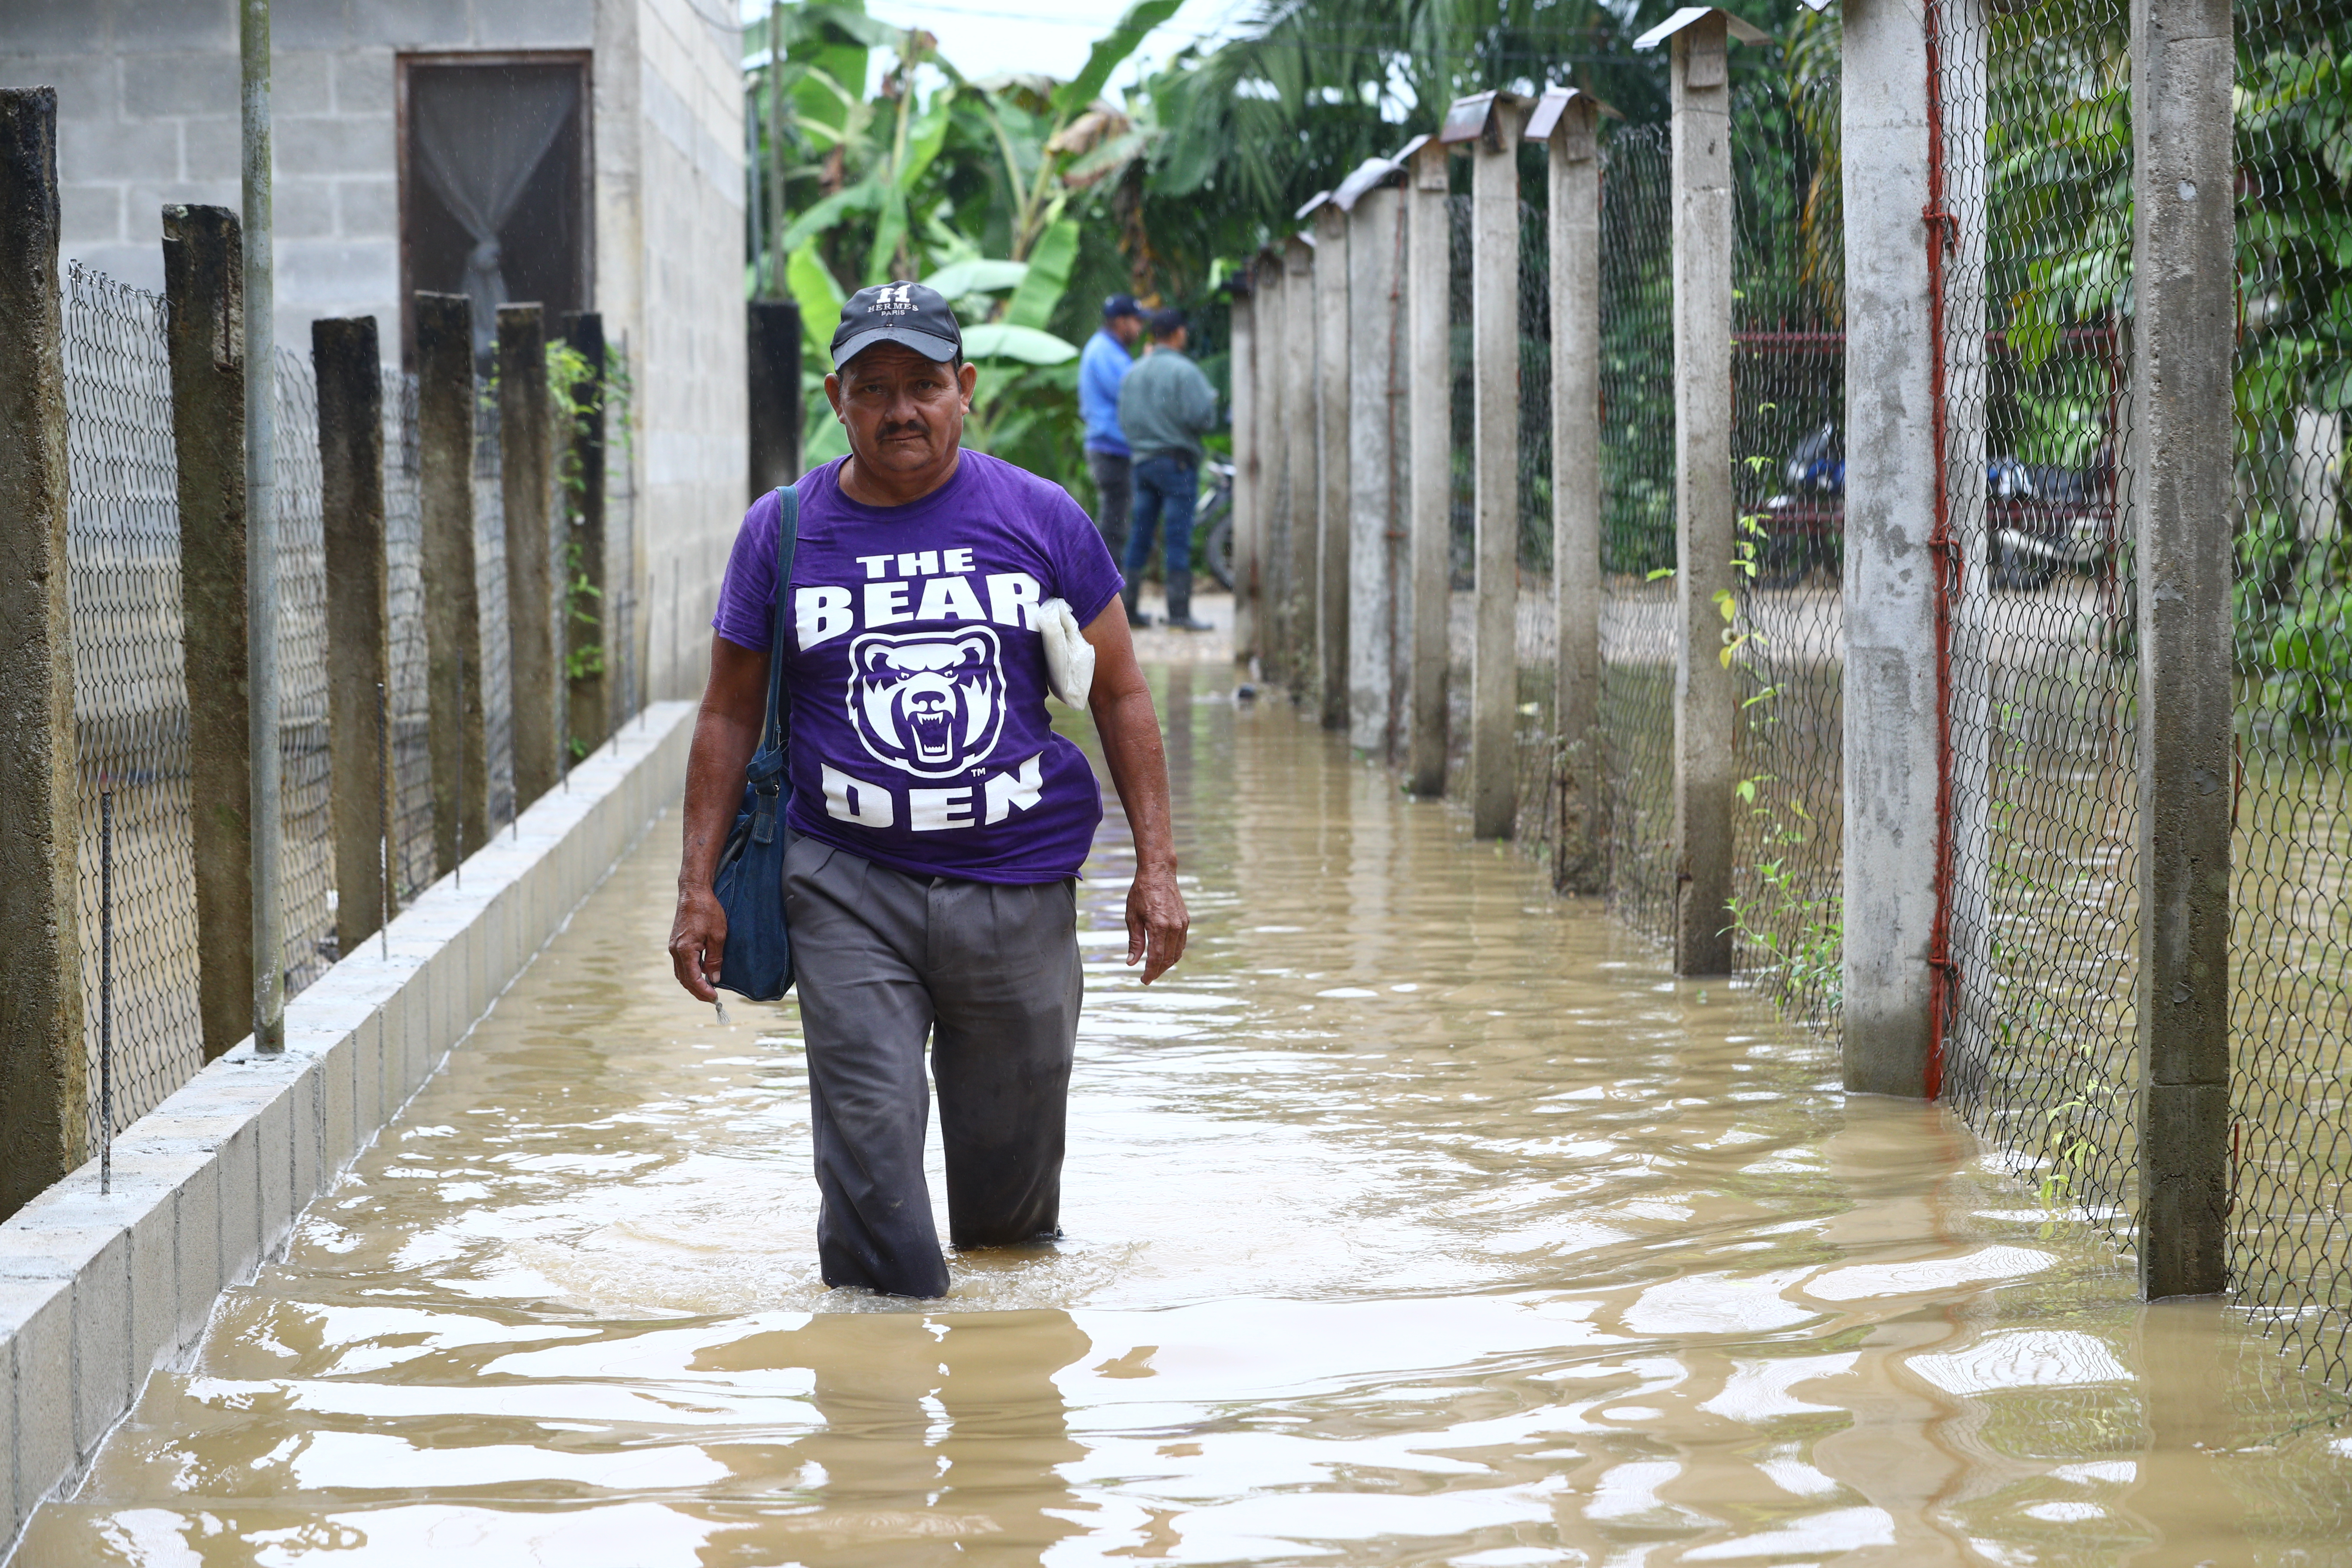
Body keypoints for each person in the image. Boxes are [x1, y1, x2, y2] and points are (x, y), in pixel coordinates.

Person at [670, 280, 1189, 1299]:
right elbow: (727, 713)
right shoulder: (781, 531)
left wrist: (1158, 870)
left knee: (1009, 1211)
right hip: (845, 883)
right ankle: (878, 1377)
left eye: (923, 385)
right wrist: (697, 887)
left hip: (1017, 882)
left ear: (966, 389)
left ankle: (1004, 1386)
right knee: (870, 1157)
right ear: (837, 398)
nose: (900, 410)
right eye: (872, 388)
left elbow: (1122, 693)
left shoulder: (1041, 517)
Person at [1115, 307, 1221, 632]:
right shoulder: (1184, 371)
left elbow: (1124, 419)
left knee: (1139, 536)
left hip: (1142, 463)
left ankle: (1128, 610)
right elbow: (1203, 418)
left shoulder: (1133, 373)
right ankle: (1179, 613)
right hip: (1177, 463)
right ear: (1178, 333)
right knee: (1178, 536)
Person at [1078, 294, 1145, 570]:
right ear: (1120, 322)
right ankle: (1106, 587)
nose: (1140, 328)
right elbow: (1132, 393)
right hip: (1111, 448)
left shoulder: (1109, 349)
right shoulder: (1106, 351)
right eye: (1137, 321)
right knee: (1114, 526)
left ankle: (1107, 584)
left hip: (1111, 446)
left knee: (1115, 521)